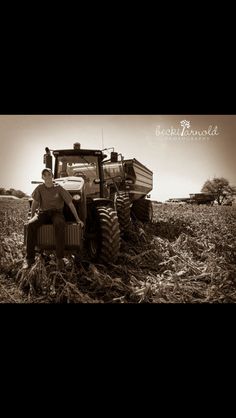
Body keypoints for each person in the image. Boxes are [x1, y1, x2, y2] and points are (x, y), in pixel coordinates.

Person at [23, 168, 83, 270]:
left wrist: (77, 219)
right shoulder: (40, 188)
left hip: (56, 213)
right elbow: (35, 204)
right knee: (30, 225)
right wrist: (32, 217)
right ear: (42, 177)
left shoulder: (59, 188)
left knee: (59, 224)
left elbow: (70, 203)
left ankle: (59, 259)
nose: (47, 177)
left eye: (49, 174)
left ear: (52, 176)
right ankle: (29, 259)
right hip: (43, 213)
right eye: (45, 175)